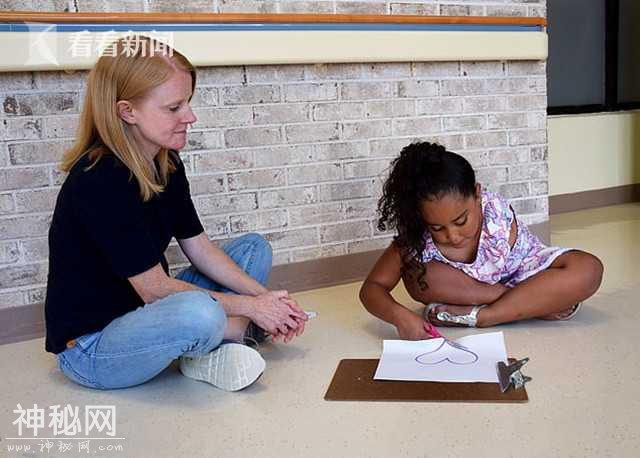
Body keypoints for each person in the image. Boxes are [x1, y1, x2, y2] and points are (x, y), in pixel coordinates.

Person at [44, 35, 307, 391]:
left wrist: (266, 300)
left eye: (188, 103)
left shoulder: (165, 162)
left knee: (252, 248)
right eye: (174, 108)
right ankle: (225, 337)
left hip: (150, 315)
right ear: (127, 111)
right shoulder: (99, 180)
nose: (191, 116)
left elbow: (200, 247)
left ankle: (217, 339)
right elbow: (154, 290)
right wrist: (253, 309)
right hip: (94, 347)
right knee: (200, 312)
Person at [360, 142, 603, 340]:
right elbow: (372, 288)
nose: (452, 236)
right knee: (417, 276)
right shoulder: (416, 237)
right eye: (437, 227)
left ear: (477, 194)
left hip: (524, 274)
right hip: (473, 291)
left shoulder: (494, 209)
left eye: (461, 220)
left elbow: (530, 262)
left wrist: (500, 304)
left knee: (589, 269)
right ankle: (533, 304)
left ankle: (486, 317)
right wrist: (399, 316)